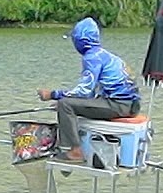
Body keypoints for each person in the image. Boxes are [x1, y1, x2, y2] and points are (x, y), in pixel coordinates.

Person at [37, 17, 142, 164]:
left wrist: (53, 95)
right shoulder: (105, 55)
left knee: (64, 104)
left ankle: (75, 151)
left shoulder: (92, 58)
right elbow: (92, 92)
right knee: (67, 104)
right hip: (131, 106)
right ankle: (74, 145)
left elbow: (84, 91)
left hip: (119, 105)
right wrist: (73, 103)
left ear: (80, 40)